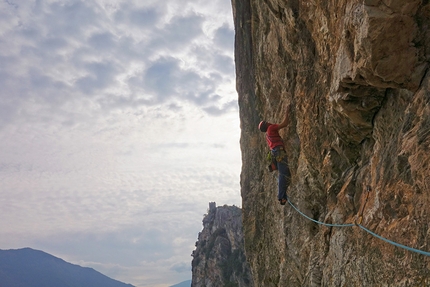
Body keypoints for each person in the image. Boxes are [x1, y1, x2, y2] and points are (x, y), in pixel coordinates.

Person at [258, 108, 291, 205]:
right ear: (266, 125)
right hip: (279, 152)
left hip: (275, 153)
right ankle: (281, 197)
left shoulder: (267, 135)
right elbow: (284, 124)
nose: (268, 122)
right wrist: (287, 112)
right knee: (283, 174)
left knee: (285, 174)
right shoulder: (271, 128)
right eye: (266, 122)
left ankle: (283, 196)